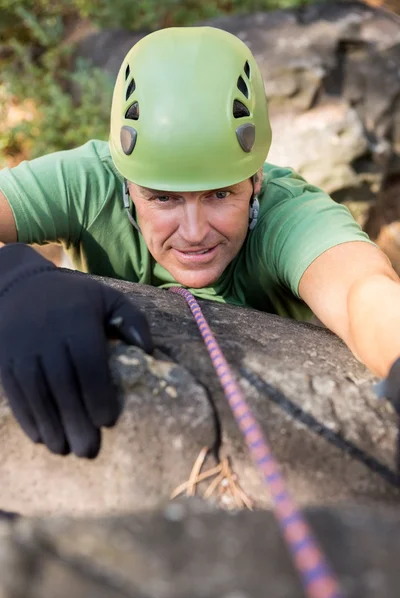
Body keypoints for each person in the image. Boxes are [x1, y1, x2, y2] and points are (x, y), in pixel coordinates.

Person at [0, 26, 399, 460]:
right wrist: (15, 278)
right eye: (163, 198)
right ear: (127, 182)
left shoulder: (288, 214)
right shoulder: (89, 183)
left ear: (256, 179)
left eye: (220, 194)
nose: (193, 232)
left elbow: (362, 291)